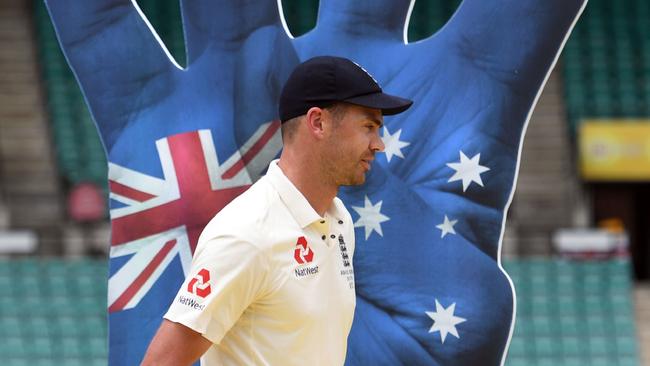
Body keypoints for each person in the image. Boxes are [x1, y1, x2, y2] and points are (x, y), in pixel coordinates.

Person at [141, 56, 413, 366]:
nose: (379, 144)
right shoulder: (246, 233)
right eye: (369, 126)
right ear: (318, 122)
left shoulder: (339, 221)